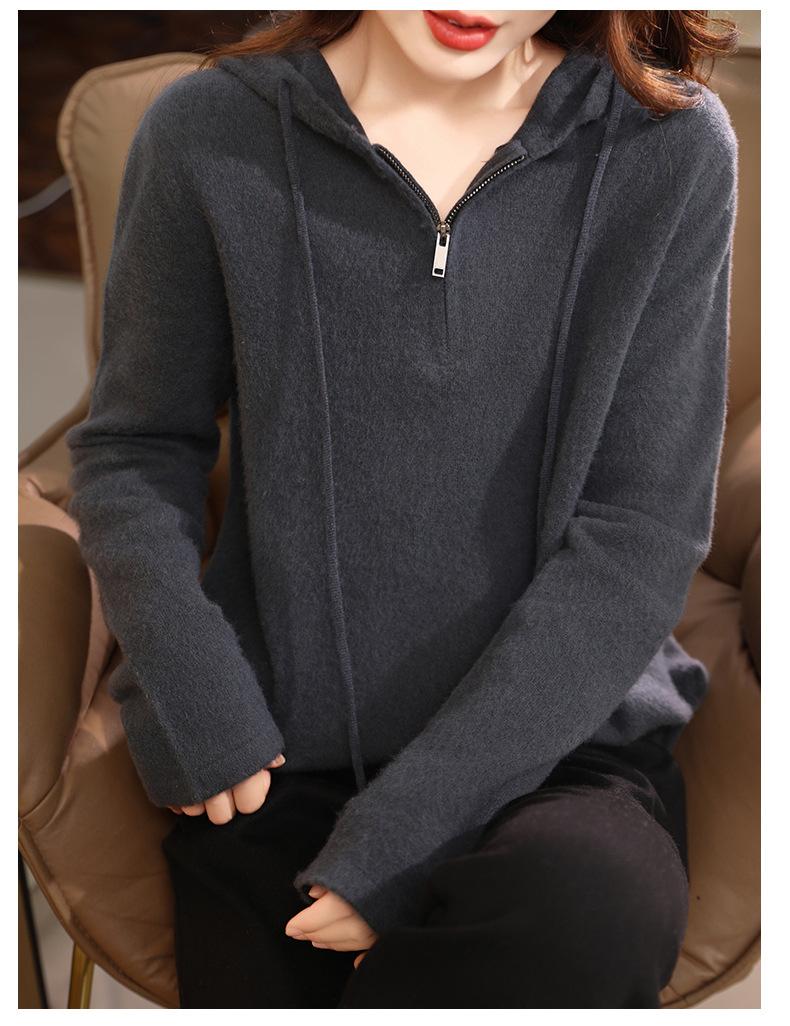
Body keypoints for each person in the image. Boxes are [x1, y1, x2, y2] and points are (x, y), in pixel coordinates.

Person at [64, 8, 740, 1009]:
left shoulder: (669, 146)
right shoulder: (208, 130)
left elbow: (640, 531)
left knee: (584, 912)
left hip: (558, 751)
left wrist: (409, 837)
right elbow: (135, 446)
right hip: (279, 755)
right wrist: (191, 688)